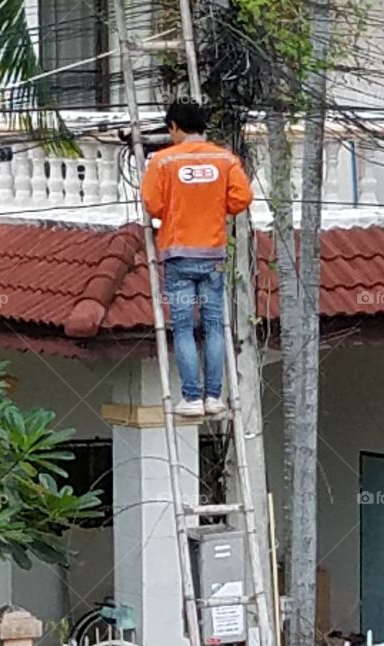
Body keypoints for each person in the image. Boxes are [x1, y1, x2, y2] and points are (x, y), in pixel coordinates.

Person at [141, 101, 253, 417]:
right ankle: (213, 397)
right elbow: (241, 199)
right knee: (215, 326)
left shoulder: (164, 162)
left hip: (178, 255)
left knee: (184, 327)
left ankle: (191, 397)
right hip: (213, 254)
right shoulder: (224, 159)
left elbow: (152, 204)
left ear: (175, 126)